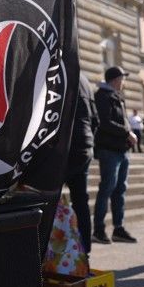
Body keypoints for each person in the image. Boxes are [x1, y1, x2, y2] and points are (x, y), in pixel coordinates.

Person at [92, 66, 138, 244]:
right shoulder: (103, 96)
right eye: (122, 78)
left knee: (120, 190)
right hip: (109, 150)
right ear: (114, 79)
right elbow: (105, 123)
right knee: (107, 188)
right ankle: (98, 230)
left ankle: (118, 228)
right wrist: (127, 133)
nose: (124, 82)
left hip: (122, 149)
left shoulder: (117, 96)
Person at [64, 74, 98, 250]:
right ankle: (85, 251)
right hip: (84, 146)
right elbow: (95, 119)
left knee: (47, 198)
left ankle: (47, 253)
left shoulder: (58, 69)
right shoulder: (84, 79)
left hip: (65, 148)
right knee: (81, 201)